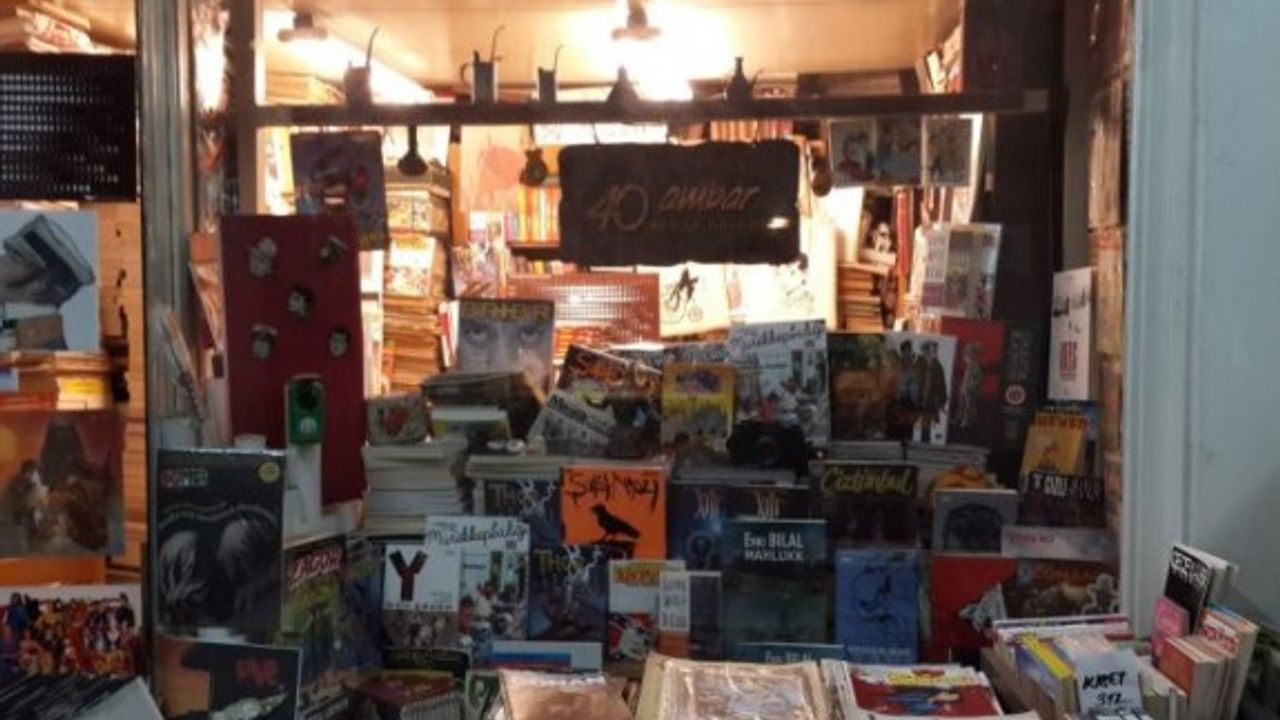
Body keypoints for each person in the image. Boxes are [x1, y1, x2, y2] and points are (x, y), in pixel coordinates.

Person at [917, 341, 950, 442]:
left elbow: (942, 384)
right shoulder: (919, 364)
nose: (934, 353)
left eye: (934, 350)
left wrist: (942, 400)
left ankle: (925, 441)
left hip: (931, 399)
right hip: (920, 397)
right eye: (932, 350)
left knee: (927, 422)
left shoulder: (937, 366)